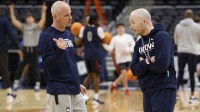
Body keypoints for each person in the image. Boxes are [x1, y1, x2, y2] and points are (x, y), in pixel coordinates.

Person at [39, 1, 87, 112]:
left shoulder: (68, 34)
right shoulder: (48, 36)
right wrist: (59, 51)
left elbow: (70, 62)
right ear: (55, 17)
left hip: (75, 89)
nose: (70, 17)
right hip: (59, 91)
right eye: (66, 15)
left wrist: (76, 83)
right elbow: (47, 65)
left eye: (70, 14)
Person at [129, 8, 177, 112]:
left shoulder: (162, 37)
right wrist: (148, 61)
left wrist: (142, 65)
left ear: (144, 21)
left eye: (133, 22)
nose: (131, 26)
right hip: (147, 89)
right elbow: (134, 70)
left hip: (163, 88)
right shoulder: (138, 43)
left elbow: (161, 66)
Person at [9, 3, 47, 92]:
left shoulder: (37, 27)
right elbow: (14, 22)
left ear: (33, 19)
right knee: (21, 66)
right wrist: (11, 11)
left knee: (36, 67)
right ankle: (16, 83)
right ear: (26, 19)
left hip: (34, 49)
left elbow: (42, 21)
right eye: (27, 18)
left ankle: (37, 85)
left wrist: (43, 11)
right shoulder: (24, 27)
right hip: (25, 49)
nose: (29, 19)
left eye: (30, 17)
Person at [77, 15, 105, 106]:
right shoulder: (99, 29)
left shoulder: (82, 29)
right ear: (95, 20)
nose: (99, 21)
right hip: (96, 55)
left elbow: (78, 42)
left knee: (89, 75)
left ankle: (82, 98)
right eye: (98, 19)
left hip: (87, 55)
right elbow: (104, 40)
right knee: (96, 76)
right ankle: (95, 99)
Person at [174, 9, 200, 104]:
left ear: (184, 16)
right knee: (191, 74)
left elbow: (176, 41)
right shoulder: (197, 26)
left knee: (180, 73)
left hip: (181, 51)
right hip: (192, 52)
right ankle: (192, 97)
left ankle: (175, 95)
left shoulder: (178, 26)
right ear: (192, 16)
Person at [102, 23, 135, 95]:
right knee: (124, 73)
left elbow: (133, 45)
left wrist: (128, 49)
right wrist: (104, 45)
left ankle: (114, 84)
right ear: (117, 29)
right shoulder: (114, 38)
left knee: (126, 74)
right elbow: (110, 48)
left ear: (124, 28)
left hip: (128, 58)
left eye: (122, 28)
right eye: (119, 28)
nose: (121, 29)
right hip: (120, 59)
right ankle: (126, 89)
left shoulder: (128, 36)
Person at [0, 8, 23, 103]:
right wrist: (18, 47)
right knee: (4, 71)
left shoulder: (4, 20)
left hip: (2, 49)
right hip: (2, 50)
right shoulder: (4, 20)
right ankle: (9, 93)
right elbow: (11, 35)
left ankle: (9, 92)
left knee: (5, 71)